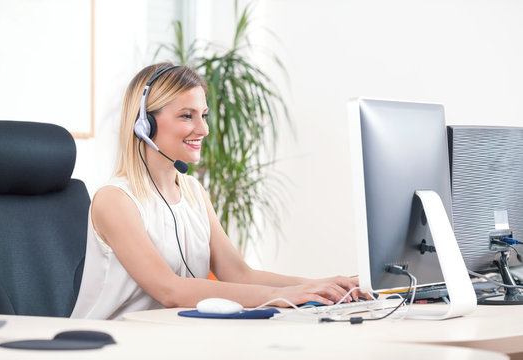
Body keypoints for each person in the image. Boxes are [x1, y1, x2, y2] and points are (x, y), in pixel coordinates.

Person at [71, 62, 368, 320]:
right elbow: (169, 289)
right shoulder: (115, 199)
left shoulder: (193, 192)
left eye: (204, 115)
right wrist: (289, 294)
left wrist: (325, 286)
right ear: (144, 125)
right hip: (112, 344)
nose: (203, 129)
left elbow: (240, 274)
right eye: (187, 116)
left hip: (170, 339)